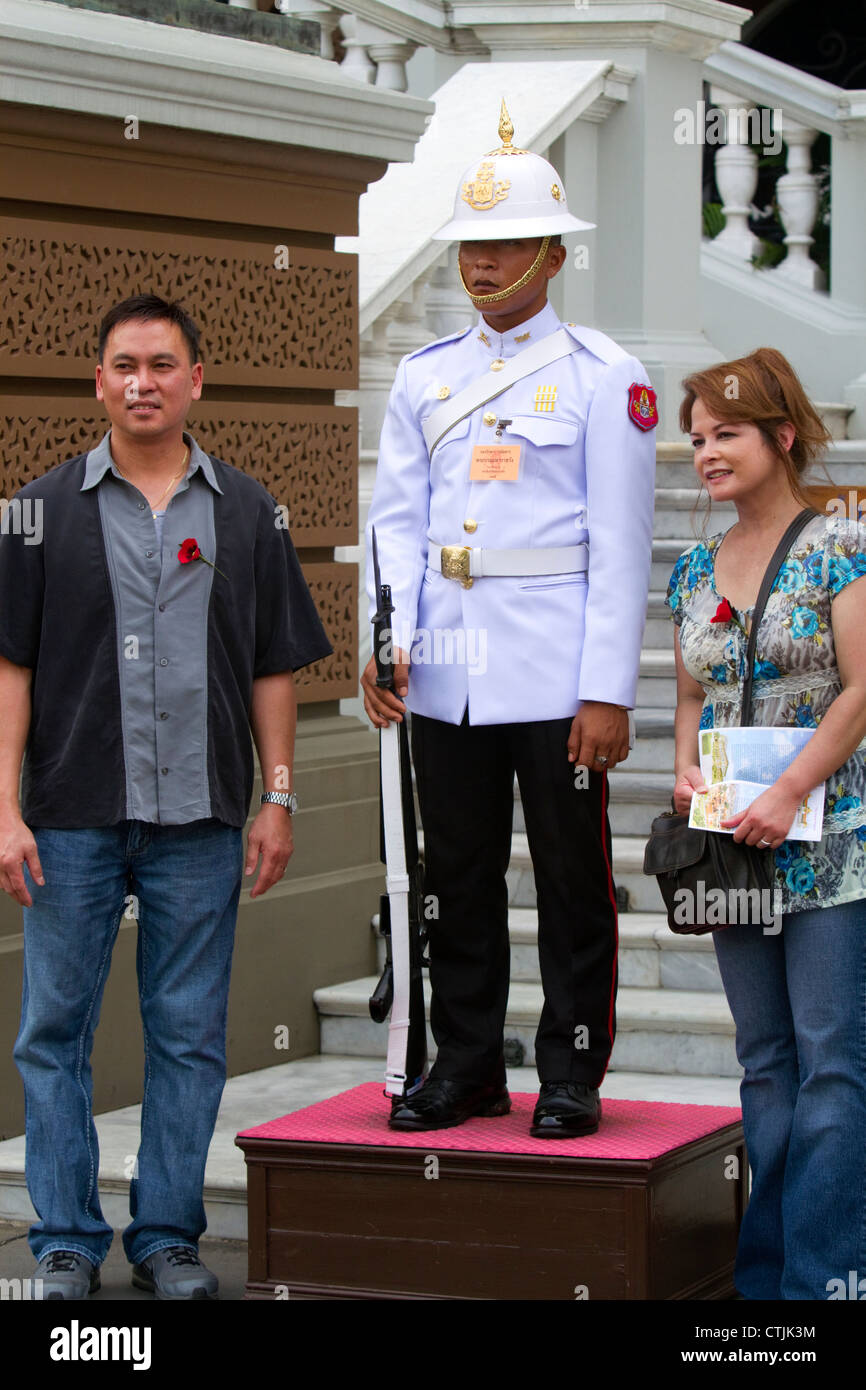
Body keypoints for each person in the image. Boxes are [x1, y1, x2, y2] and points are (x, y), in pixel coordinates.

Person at [0, 294, 331, 1299]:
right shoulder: (36, 510)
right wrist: (4, 809)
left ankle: (166, 1237)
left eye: (162, 363)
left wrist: (278, 798)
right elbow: (10, 666)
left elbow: (276, 668)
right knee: (55, 1028)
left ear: (196, 380)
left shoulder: (247, 510)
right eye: (123, 365)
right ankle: (63, 1238)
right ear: (98, 382)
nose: (142, 381)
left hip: (202, 817)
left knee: (186, 1032)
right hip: (70, 811)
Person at [361, 104, 657, 1136]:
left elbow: (621, 544)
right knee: (455, 877)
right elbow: (395, 521)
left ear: (548, 253)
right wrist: (384, 638)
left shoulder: (602, 375)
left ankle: (570, 1069)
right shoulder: (423, 376)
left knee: (573, 879)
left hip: (551, 664)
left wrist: (606, 688)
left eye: (500, 245)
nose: (479, 266)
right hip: (446, 661)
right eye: (468, 247)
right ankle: (467, 1060)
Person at [666, 346, 866, 1300]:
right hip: (733, 848)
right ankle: (765, 1279)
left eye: (726, 433)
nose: (706, 452)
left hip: (834, 845)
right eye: (697, 438)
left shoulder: (839, 543)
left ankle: (827, 1280)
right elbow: (690, 692)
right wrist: (679, 769)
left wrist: (790, 791)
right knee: (765, 1065)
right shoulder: (697, 563)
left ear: (781, 436)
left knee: (833, 1065)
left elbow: (864, 687)